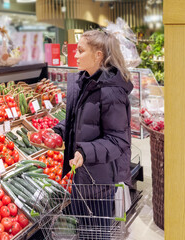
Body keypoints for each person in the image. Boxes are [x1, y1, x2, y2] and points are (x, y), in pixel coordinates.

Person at [53, 29, 133, 239]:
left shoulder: (111, 91)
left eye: (80, 50)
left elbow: (118, 140)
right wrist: (58, 132)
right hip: (80, 178)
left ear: (98, 55)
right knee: (84, 233)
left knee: (96, 235)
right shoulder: (85, 82)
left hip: (99, 183)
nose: (75, 55)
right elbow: (80, 121)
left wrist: (86, 152)